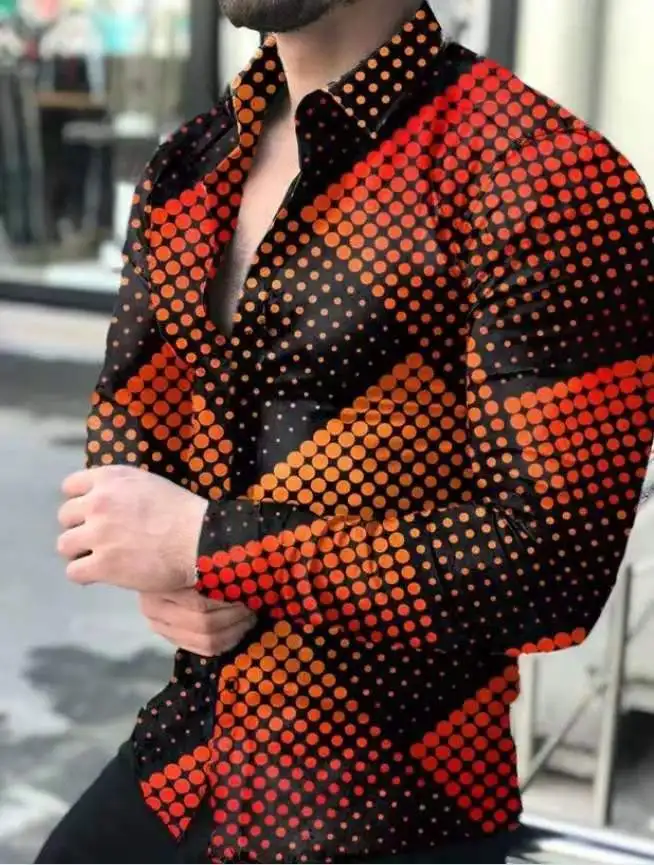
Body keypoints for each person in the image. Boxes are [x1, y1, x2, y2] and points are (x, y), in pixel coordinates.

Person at [39, 0, 654, 862]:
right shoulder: (190, 165)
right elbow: (132, 445)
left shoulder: (545, 176)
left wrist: (206, 545)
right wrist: (162, 568)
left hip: (395, 807)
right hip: (189, 760)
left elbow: (554, 570)